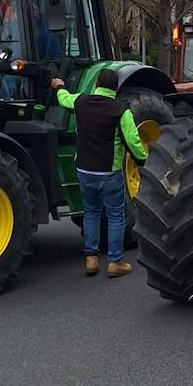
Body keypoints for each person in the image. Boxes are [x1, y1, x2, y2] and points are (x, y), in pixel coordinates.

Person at [50, 68, 148, 277]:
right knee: (115, 216)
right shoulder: (121, 110)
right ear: (115, 89)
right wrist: (142, 161)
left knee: (91, 213)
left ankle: (91, 259)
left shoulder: (81, 102)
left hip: (85, 171)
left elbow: (64, 99)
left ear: (96, 86)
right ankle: (115, 262)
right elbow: (133, 140)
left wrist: (59, 86)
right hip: (109, 173)